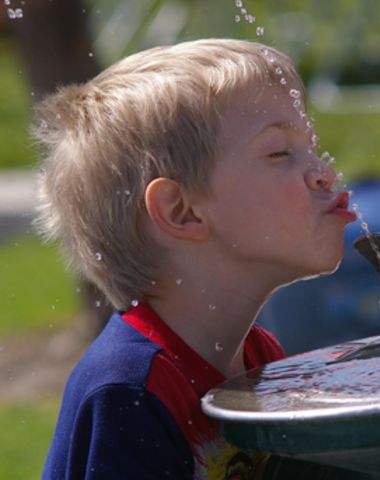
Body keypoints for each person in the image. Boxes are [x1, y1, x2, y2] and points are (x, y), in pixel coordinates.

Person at [35, 39, 357, 478]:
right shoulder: (129, 391)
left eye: (311, 147)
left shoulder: (259, 356)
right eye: (280, 151)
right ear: (181, 211)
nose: (324, 171)